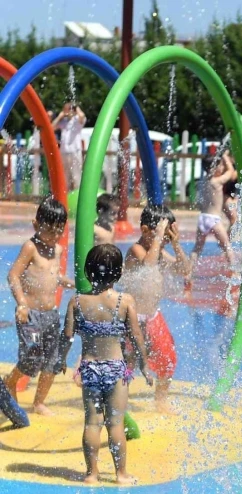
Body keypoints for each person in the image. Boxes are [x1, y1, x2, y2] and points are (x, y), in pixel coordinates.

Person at [58, 244, 153, 484]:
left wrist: (60, 358)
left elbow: (67, 334)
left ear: (88, 272)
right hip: (115, 370)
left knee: (92, 422)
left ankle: (91, 473)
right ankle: (121, 474)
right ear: (119, 273)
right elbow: (136, 336)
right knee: (115, 423)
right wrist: (144, 364)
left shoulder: (77, 301)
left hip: (90, 368)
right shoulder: (124, 301)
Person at [5, 197, 74, 416]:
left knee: (53, 360)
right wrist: (21, 303)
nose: (54, 236)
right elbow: (13, 275)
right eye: (50, 231)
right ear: (36, 225)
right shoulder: (30, 248)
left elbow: (54, 275)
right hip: (31, 317)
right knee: (31, 356)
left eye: (59, 231)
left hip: (51, 316)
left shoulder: (58, 250)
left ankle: (39, 402)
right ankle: (9, 382)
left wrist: (71, 283)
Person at [120, 205, 191, 414]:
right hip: (132, 319)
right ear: (145, 230)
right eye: (162, 234)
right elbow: (148, 265)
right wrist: (159, 238)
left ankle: (161, 401)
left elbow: (184, 270)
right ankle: (116, 399)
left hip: (152, 317)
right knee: (128, 363)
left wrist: (176, 245)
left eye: (169, 235)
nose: (165, 240)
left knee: (167, 358)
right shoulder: (136, 250)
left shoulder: (159, 251)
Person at [190, 151, 237, 267]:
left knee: (197, 249)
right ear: (214, 168)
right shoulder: (217, 182)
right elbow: (231, 172)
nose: (223, 167)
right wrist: (225, 156)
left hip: (202, 218)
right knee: (227, 246)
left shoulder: (204, 182)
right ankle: (235, 272)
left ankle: (188, 273)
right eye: (220, 165)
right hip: (214, 220)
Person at [53, 102, 87, 190]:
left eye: (68, 109)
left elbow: (82, 116)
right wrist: (60, 116)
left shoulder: (77, 120)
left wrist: (77, 108)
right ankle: (66, 198)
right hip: (64, 152)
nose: (66, 112)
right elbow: (52, 127)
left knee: (76, 176)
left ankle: (77, 198)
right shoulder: (63, 122)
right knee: (65, 178)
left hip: (75, 151)